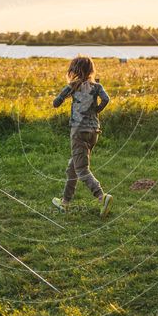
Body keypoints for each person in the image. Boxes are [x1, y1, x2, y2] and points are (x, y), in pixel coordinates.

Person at [51, 55, 113, 216]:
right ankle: (65, 202)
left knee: (81, 169)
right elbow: (106, 99)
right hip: (94, 131)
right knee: (73, 167)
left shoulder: (73, 86)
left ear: (74, 70)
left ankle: (101, 197)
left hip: (78, 131)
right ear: (91, 70)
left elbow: (56, 102)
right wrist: (96, 110)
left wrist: (60, 99)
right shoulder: (97, 86)